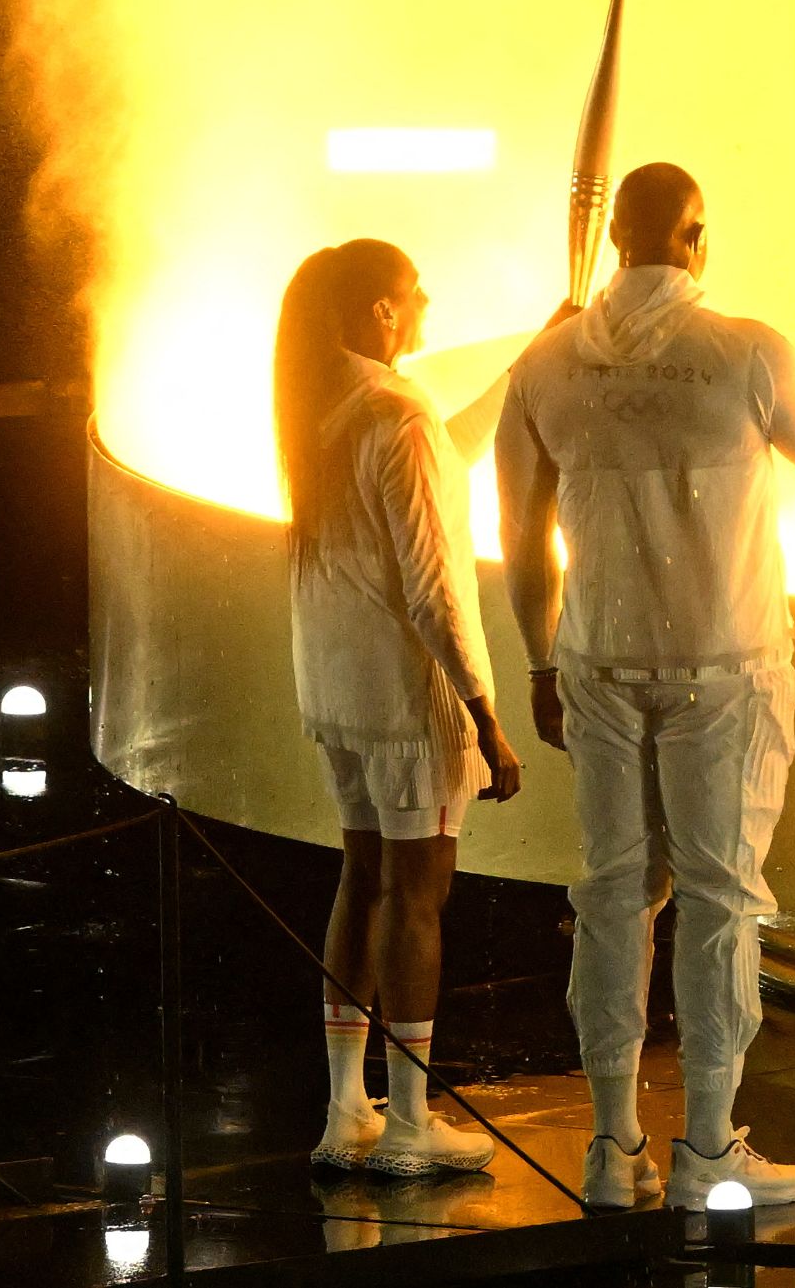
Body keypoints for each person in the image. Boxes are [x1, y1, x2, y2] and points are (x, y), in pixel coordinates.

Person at [497, 163, 795, 1213]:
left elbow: (519, 536)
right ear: (696, 237)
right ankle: (708, 1145)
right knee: (718, 903)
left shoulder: (546, 365)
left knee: (613, 895)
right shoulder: (750, 352)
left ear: (615, 237)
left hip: (596, 667)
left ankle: (611, 1147)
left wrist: (538, 659)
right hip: (727, 670)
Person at [271, 238, 528, 1177]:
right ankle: (414, 1119)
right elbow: (432, 588)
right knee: (419, 896)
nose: (426, 304)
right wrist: (484, 709)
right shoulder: (395, 415)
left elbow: (441, 450)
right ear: (382, 309)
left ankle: (349, 1108)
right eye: (414, 293)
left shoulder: (321, 406)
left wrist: (526, 361)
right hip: (405, 694)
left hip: (334, 690)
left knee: (362, 878)